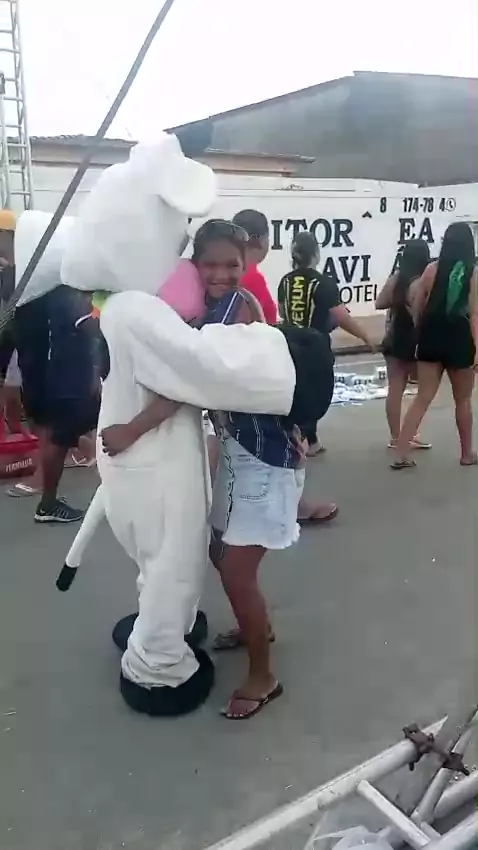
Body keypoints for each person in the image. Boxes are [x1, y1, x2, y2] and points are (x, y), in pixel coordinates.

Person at [101, 220, 331, 720]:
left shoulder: (233, 310)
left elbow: (189, 384)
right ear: (193, 265)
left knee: (235, 572)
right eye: (211, 264)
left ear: (247, 263)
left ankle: (263, 677)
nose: (223, 274)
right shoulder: (212, 310)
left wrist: (132, 429)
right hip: (243, 452)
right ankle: (258, 628)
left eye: (233, 264)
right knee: (221, 552)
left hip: (263, 461)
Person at [278, 230, 377, 454]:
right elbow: (342, 317)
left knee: (296, 391)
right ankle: (303, 440)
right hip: (314, 346)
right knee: (315, 393)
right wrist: (365, 337)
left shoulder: (285, 281)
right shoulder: (323, 283)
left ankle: (309, 440)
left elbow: (283, 312)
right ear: (316, 254)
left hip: (289, 343)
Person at [391, 222, 478, 469]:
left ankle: (401, 453)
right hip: (460, 336)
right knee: (463, 400)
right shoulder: (473, 273)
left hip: (431, 334)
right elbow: (475, 315)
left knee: (423, 397)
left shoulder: (431, 269)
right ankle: (466, 454)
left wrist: (420, 329)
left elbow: (417, 303)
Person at [13, 284, 99, 521]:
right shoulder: (62, 293)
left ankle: (48, 499)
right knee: (61, 427)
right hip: (60, 357)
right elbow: (86, 322)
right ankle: (48, 503)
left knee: (53, 423)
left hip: (35, 326)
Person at [376, 239, 432, 449]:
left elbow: (380, 302)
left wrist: (397, 300)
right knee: (422, 392)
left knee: (395, 389)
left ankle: (395, 437)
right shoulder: (423, 281)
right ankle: (409, 434)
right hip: (416, 340)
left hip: (394, 338)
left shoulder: (397, 279)